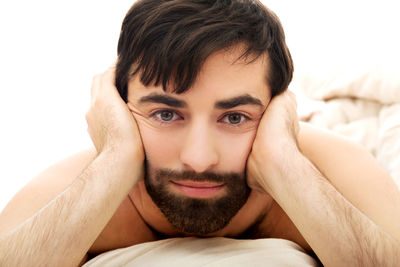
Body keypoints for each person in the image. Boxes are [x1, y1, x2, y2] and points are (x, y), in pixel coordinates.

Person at [1, 0, 400, 266]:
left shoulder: (332, 164)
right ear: (120, 107)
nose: (198, 159)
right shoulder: (86, 183)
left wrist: (283, 162)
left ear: (277, 108)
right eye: (165, 114)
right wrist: (117, 157)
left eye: (234, 117)